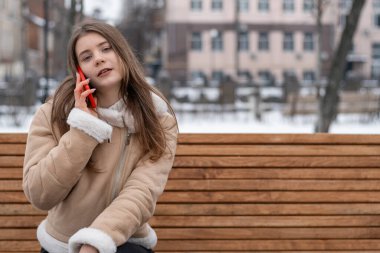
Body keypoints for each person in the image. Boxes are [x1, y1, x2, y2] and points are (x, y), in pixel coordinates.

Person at [22, 20, 178, 253]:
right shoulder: (53, 114)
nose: (98, 58)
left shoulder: (157, 118)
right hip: (62, 244)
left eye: (106, 49)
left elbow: (142, 191)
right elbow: (40, 194)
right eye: (86, 57)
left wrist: (97, 240)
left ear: (122, 53)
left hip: (123, 242)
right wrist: (83, 129)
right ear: (78, 71)